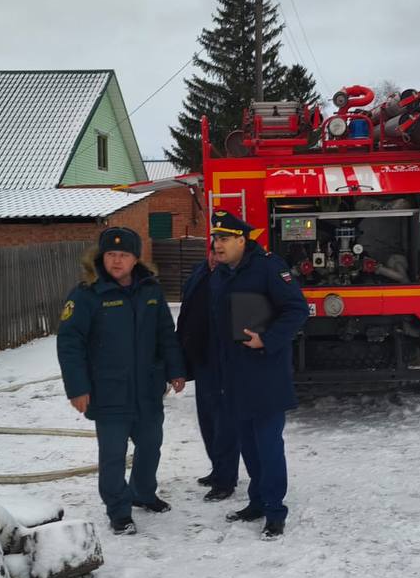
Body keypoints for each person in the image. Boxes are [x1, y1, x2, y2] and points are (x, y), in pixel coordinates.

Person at [56, 227, 187, 535]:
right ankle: (118, 509)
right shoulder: (87, 293)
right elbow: (69, 343)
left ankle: (143, 492)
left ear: (135, 258)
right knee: (113, 454)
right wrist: (77, 388)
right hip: (108, 389)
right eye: (111, 254)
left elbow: (166, 335)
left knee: (151, 444)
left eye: (124, 255)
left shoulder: (150, 290)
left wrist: (176, 370)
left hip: (147, 388)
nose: (117, 261)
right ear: (102, 257)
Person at [206, 210, 309, 540]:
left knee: (267, 445)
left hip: (265, 373)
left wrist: (268, 338)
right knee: (248, 446)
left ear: (241, 240)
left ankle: (275, 511)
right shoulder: (222, 273)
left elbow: (296, 309)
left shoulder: (268, 267)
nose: (216, 244)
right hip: (234, 375)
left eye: (223, 238)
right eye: (214, 238)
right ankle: (257, 502)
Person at [175, 253, 240, 501]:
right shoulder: (199, 272)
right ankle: (217, 469)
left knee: (225, 423)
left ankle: (226, 479)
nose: (216, 255)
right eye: (214, 249)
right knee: (208, 420)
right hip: (201, 358)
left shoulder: (235, 276)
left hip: (224, 360)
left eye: (222, 249)